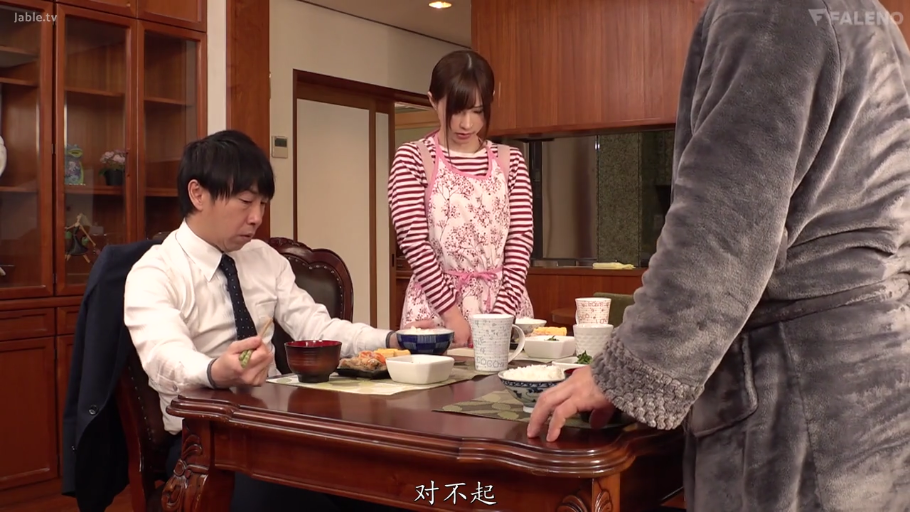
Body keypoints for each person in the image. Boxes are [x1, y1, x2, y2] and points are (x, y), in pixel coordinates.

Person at [528, 0, 910, 510]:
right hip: (876, 376)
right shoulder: (871, 18)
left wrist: (626, 370)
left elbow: (726, 220)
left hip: (795, 390)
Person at [124, 129, 419, 511]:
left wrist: (394, 340)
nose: (257, 218)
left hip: (280, 428)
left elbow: (318, 328)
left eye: (263, 204)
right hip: (205, 443)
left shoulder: (263, 258)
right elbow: (165, 356)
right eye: (246, 202)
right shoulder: (155, 271)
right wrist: (216, 371)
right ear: (197, 194)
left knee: (388, 487)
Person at [388, 49, 534, 347]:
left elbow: (521, 241)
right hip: (436, 309)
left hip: (504, 305)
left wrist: (499, 318)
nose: (467, 123)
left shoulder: (511, 161)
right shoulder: (413, 158)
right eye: (456, 111)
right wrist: (453, 316)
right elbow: (414, 244)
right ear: (432, 100)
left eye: (477, 111)